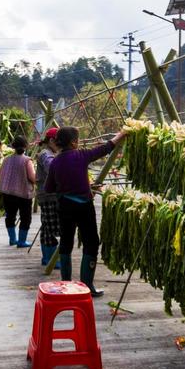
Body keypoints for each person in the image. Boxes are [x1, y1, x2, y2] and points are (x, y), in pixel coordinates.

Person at [45, 127, 127, 297]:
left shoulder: (55, 162)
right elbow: (105, 148)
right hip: (84, 206)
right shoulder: (81, 155)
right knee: (91, 242)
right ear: (74, 142)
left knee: (66, 243)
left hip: (65, 207)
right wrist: (121, 134)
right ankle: (87, 285)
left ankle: (65, 284)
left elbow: (49, 188)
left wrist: (67, 187)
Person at [0, 136, 35, 247]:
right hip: (23, 194)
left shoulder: (6, 159)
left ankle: (12, 239)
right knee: (25, 217)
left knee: (10, 216)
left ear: (13, 146)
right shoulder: (27, 160)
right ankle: (22, 241)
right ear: (26, 146)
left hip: (8, 193)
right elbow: (32, 177)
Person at [35, 127, 60, 269]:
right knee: (50, 228)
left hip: (47, 195)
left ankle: (47, 257)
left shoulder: (49, 152)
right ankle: (51, 259)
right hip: (49, 196)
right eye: (59, 142)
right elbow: (52, 168)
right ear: (51, 141)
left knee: (46, 227)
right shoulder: (46, 153)